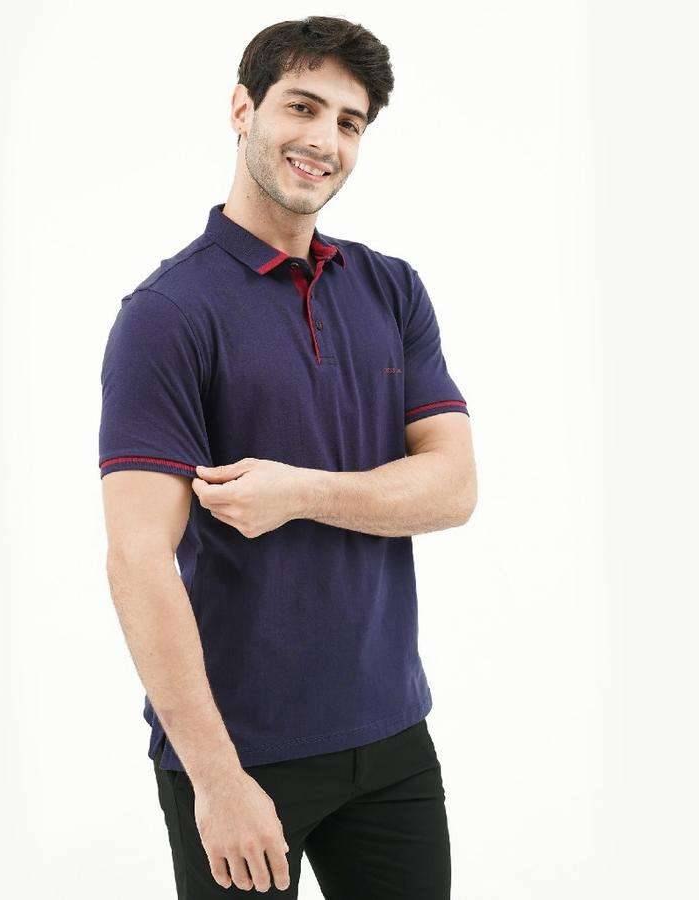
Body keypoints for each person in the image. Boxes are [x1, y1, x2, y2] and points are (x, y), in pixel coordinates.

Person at [99, 15, 477, 898]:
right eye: (302, 107)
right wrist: (217, 780)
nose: (325, 141)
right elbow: (137, 559)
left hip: (393, 735)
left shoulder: (392, 288)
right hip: (241, 753)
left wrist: (298, 492)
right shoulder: (167, 314)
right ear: (243, 109)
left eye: (349, 122)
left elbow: (454, 488)